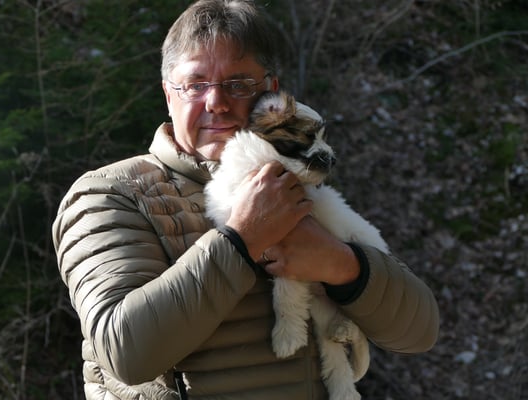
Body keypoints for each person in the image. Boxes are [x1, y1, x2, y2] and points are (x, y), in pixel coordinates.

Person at [52, 1, 440, 399]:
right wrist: (242, 238)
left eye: (238, 84)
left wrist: (341, 264)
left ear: (270, 94)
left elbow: (420, 332)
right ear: (169, 95)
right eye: (195, 84)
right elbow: (124, 354)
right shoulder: (109, 194)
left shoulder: (296, 185)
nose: (216, 102)